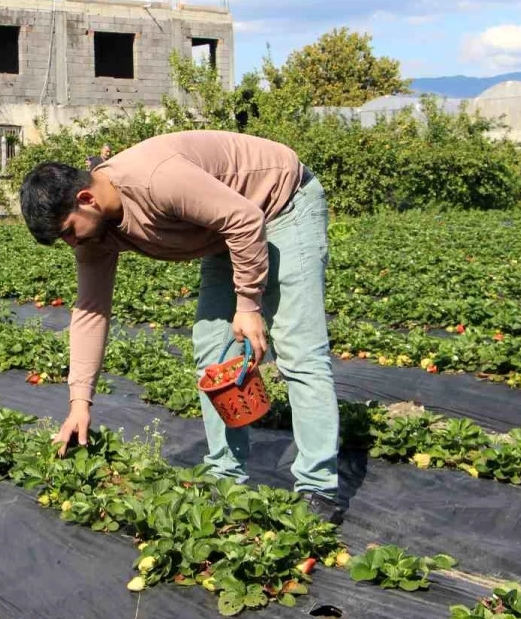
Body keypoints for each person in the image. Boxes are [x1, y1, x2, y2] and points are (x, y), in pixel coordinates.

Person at [19, 130, 342, 524]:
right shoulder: (93, 233)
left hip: (280, 203)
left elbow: (245, 219)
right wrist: (79, 403)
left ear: (85, 199)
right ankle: (226, 476)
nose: (72, 244)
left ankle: (317, 486)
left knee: (298, 350)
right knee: (212, 356)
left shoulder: (155, 179)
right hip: (225, 230)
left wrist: (248, 304)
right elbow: (90, 310)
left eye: (68, 231)